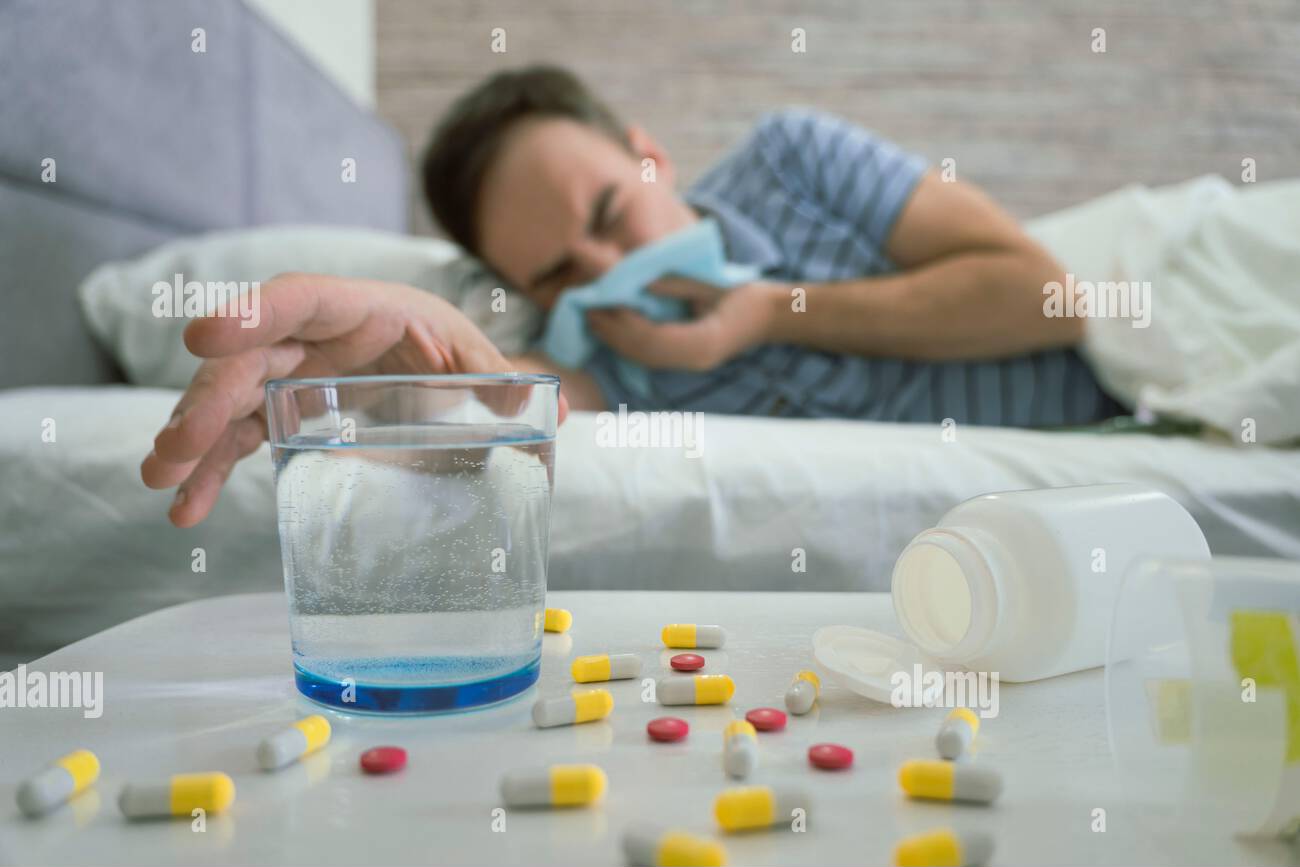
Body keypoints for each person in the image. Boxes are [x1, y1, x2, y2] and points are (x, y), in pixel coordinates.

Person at [143, 65, 1122, 527]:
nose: (607, 267)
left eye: (612, 210)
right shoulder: (606, 359)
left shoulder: (793, 162)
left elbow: (1048, 296)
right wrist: (401, 360)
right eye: (561, 271)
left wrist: (760, 315)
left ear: (647, 157)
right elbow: (499, 400)